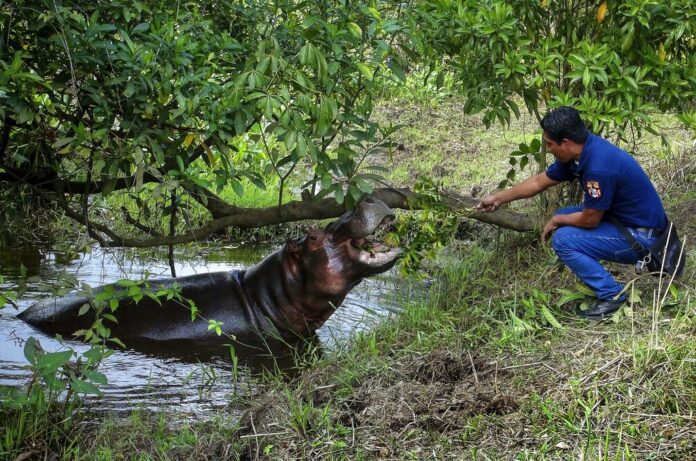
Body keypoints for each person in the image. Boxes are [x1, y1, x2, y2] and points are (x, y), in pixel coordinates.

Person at [476, 106, 667, 320]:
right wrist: (498, 198)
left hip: (646, 239)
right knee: (565, 216)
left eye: (549, 144)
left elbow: (590, 219)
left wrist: (557, 219)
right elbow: (539, 181)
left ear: (565, 143)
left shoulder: (598, 168)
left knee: (563, 239)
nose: (548, 149)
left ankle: (612, 295)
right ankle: (599, 278)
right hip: (630, 224)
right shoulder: (582, 152)